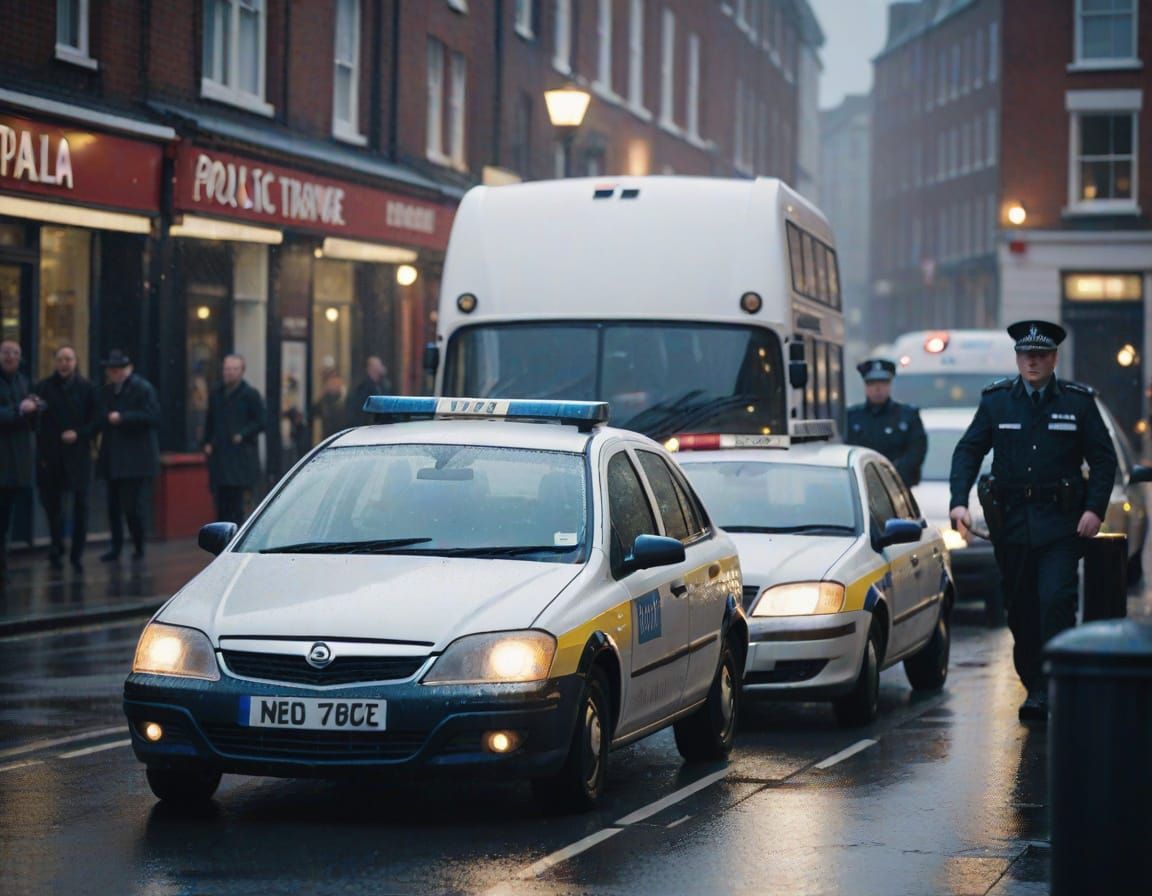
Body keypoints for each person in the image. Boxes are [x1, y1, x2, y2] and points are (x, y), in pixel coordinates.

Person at [949, 320, 1117, 722]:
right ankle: (1034, 683)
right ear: (1018, 358)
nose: (1033, 362)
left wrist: (1094, 509)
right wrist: (958, 502)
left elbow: (1103, 459)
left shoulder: (1078, 402)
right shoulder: (997, 401)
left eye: (1041, 355)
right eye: (1026, 355)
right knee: (1021, 610)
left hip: (1060, 525)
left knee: (1055, 602)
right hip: (1012, 526)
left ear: (1054, 358)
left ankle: (1053, 686)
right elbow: (968, 451)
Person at [34, 346, 97, 571]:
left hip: (79, 456)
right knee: (54, 507)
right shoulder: (43, 388)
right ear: (55, 362)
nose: (64, 363)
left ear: (75, 362)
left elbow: (96, 421)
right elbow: (37, 423)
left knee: (81, 507)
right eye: (60, 359)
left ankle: (76, 554)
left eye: (68, 359)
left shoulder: (87, 388)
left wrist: (79, 433)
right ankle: (57, 547)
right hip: (52, 457)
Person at [95, 349, 160, 562]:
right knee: (113, 506)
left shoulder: (142, 388)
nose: (114, 373)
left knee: (132, 506)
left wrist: (123, 417)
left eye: (118, 369)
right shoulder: (107, 390)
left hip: (135, 460)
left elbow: (152, 416)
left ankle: (138, 545)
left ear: (127, 369)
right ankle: (116, 547)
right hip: (113, 458)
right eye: (111, 370)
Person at [845, 358, 928, 486]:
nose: (878, 388)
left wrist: (892, 475)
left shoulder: (907, 416)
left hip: (899, 485)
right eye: (872, 383)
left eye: (883, 383)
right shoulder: (852, 417)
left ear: (890, 385)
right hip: (862, 484)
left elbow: (916, 451)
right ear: (865, 386)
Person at [203, 354, 265, 524]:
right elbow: (210, 421)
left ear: (242, 371)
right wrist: (207, 442)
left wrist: (242, 434)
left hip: (241, 458)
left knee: (238, 505)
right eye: (226, 369)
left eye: (234, 369)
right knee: (221, 504)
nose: (229, 372)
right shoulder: (216, 393)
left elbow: (261, 422)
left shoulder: (250, 394)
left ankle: (236, 533)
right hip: (220, 457)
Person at [0, 340, 42, 575]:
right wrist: (20, 410)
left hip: (15, 465)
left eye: (15, 353)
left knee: (6, 517)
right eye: (6, 352)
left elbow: (32, 421)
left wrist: (35, 407)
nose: (10, 357)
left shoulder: (23, 381)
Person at [346, 356, 393, 425]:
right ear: (372, 368)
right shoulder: (363, 387)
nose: (381, 367)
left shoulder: (383, 385)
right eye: (378, 365)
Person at [311, 371, 348, 441]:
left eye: (336, 382)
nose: (334, 385)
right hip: (328, 437)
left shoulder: (346, 399)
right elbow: (313, 412)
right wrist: (322, 393)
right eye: (332, 382)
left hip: (342, 437)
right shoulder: (325, 400)